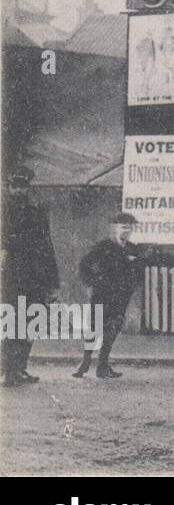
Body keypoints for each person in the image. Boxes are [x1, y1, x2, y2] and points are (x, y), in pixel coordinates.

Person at [1, 166, 59, 387]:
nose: (18, 190)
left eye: (22, 186)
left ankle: (20, 368)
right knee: (10, 323)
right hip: (10, 279)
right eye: (14, 186)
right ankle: (7, 370)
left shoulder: (36, 214)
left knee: (32, 324)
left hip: (35, 278)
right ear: (8, 187)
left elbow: (47, 247)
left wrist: (53, 282)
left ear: (27, 187)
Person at [73, 213, 146, 379]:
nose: (126, 231)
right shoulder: (103, 246)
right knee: (94, 328)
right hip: (102, 293)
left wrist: (132, 284)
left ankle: (102, 366)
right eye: (123, 227)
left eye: (129, 227)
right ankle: (84, 363)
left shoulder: (133, 248)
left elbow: (140, 270)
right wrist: (92, 281)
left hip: (121, 296)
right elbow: (84, 264)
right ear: (114, 229)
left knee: (112, 330)